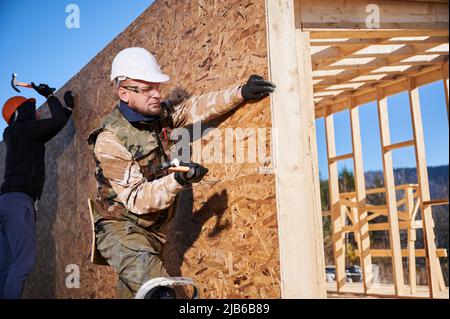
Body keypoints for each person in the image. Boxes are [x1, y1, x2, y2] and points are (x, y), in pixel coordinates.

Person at [87, 47, 276, 299]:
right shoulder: (109, 140)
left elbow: (193, 108)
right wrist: (177, 180)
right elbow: (136, 199)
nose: (156, 94)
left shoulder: (156, 114)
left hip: (153, 231)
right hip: (121, 228)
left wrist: (240, 92)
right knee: (158, 293)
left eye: (157, 86)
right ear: (124, 93)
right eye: (146, 89)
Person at [0, 84, 74, 299]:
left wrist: (67, 109)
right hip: (18, 204)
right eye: (32, 110)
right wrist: (49, 95)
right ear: (21, 113)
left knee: (5, 268)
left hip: (5, 202)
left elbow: (57, 122)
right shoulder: (23, 131)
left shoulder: (15, 134)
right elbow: (57, 122)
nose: (37, 113)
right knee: (22, 264)